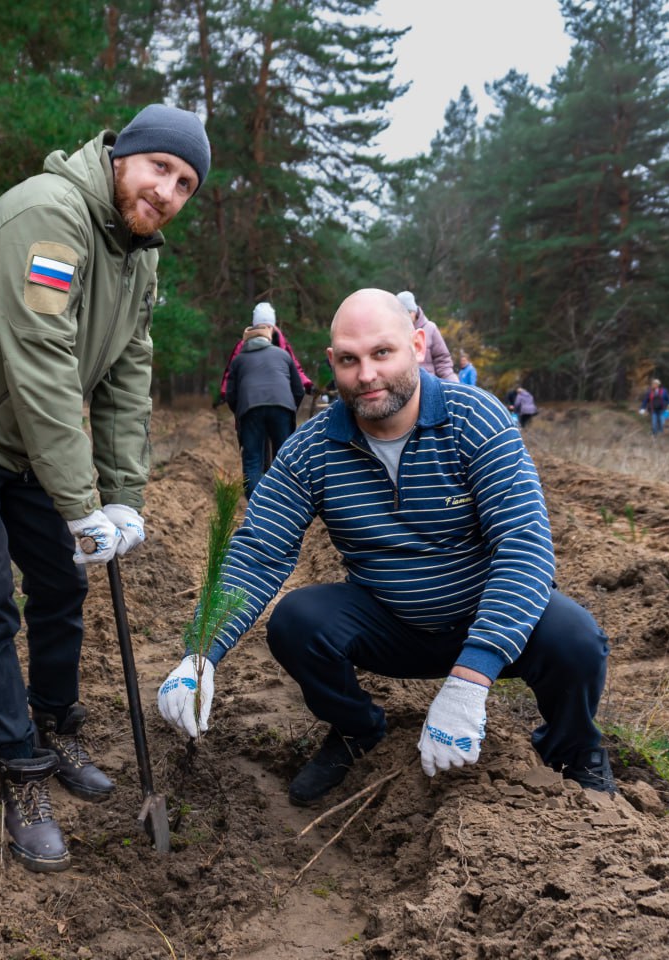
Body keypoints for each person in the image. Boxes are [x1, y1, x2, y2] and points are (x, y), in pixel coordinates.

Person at [0, 103, 210, 874]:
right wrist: (79, 503)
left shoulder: (140, 254)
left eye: (186, 184)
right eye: (159, 168)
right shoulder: (48, 214)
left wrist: (123, 496)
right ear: (123, 155)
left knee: (62, 582)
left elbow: (129, 375)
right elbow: (40, 362)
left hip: (25, 432)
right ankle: (18, 763)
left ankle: (56, 721)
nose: (167, 192)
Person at [158, 288, 614, 810]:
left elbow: (523, 545)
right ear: (332, 363)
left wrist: (471, 677)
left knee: (576, 638)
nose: (366, 375)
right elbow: (258, 551)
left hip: (479, 612)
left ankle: (575, 751)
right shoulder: (311, 449)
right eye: (349, 360)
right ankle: (357, 730)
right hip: (390, 622)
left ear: (417, 345)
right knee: (296, 622)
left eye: (382, 353)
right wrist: (199, 654)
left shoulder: (475, 419)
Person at [225, 319, 304, 499]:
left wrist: (241, 413)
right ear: (268, 338)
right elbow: (298, 390)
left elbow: (230, 394)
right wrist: (289, 409)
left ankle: (256, 506)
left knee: (253, 460)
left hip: (250, 409)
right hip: (282, 407)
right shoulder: (283, 355)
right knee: (283, 458)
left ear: (246, 341)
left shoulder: (238, 360)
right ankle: (283, 502)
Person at [217, 302, 313, 405]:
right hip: (251, 396)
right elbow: (231, 370)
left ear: (273, 326)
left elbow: (294, 366)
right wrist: (224, 392)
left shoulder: (282, 343)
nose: (265, 330)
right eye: (261, 327)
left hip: (278, 395)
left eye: (268, 327)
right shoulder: (242, 345)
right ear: (255, 327)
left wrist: (307, 384)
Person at [396, 291, 458, 382]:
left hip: (429, 384)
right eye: (402, 313)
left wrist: (453, 383)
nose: (405, 317)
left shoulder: (430, 328)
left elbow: (443, 361)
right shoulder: (394, 332)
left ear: (415, 311)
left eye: (408, 312)